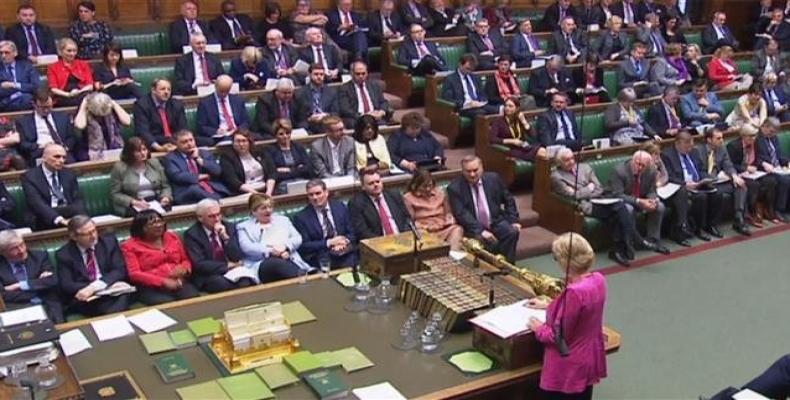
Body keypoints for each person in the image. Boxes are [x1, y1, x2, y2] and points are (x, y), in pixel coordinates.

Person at [551, 149, 664, 266]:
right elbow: (574, 196)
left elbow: (599, 188)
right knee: (620, 208)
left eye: (572, 158)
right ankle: (636, 242)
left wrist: (585, 190)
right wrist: (589, 188)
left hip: (600, 200)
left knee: (618, 212)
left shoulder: (585, 168)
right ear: (559, 162)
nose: (571, 162)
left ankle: (618, 250)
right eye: (566, 160)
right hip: (585, 205)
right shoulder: (556, 176)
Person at [527, 233, 606, 400]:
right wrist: (550, 305)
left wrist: (538, 328)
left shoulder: (574, 292)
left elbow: (557, 336)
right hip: (588, 359)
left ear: (565, 260)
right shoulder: (599, 280)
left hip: (567, 367)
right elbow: (583, 311)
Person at [56, 216, 131, 316]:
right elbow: (67, 284)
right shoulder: (64, 254)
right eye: (87, 234)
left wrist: (97, 286)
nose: (93, 236)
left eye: (94, 231)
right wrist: (94, 289)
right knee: (109, 306)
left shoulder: (108, 243)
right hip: (88, 297)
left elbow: (120, 270)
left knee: (124, 294)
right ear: (74, 237)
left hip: (111, 290)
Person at [448, 156, 520, 262]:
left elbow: (508, 199)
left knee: (511, 232)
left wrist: (513, 220)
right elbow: (461, 214)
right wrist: (481, 231)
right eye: (468, 171)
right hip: (473, 227)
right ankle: (489, 267)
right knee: (483, 241)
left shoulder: (494, 179)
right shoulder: (455, 188)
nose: (472, 174)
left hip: (495, 221)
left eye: (475, 170)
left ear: (482, 168)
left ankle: (507, 268)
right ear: (462, 171)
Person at [122, 210, 199, 305]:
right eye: (152, 223)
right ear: (142, 228)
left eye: (159, 221)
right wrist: (163, 281)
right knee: (166, 304)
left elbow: (185, 259)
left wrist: (185, 269)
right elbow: (134, 274)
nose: (158, 225)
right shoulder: (130, 246)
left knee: (193, 299)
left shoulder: (173, 237)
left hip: (178, 281)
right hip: (150, 287)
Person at [662, 131, 725, 240]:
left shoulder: (694, 152)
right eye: (686, 147)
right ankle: (698, 229)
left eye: (691, 146)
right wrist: (685, 184)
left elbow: (701, 169)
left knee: (717, 193)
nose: (689, 150)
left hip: (698, 183)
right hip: (682, 187)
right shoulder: (667, 155)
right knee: (701, 198)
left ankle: (711, 225)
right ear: (678, 144)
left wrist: (707, 179)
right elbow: (669, 177)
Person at [237, 193, 312, 283]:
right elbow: (247, 247)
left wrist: (286, 247)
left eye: (270, 207)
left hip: (288, 258)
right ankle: (305, 281)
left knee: (282, 264)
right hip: (262, 264)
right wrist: (271, 251)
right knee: (276, 263)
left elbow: (297, 238)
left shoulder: (283, 220)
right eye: (263, 208)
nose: (268, 210)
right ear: (254, 211)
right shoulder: (243, 227)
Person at [184, 199, 254, 293]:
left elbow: (237, 256)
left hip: (233, 271)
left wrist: (225, 238)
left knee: (245, 282)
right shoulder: (192, 234)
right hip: (208, 274)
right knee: (221, 284)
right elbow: (199, 264)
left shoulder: (229, 227)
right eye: (211, 216)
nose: (217, 219)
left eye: (218, 214)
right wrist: (227, 266)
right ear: (200, 218)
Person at [696, 127, 751, 236]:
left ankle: (738, 218)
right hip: (706, 183)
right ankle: (711, 224)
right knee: (717, 193)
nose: (721, 140)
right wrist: (715, 178)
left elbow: (728, 164)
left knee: (740, 185)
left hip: (720, 181)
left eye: (722, 138)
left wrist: (734, 176)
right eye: (718, 138)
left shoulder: (722, 149)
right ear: (709, 140)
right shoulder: (698, 150)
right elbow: (699, 172)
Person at [292, 179, 357, 269]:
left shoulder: (340, 207)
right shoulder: (301, 217)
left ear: (326, 193)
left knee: (353, 261)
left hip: (344, 250)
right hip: (320, 255)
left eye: (318, 193)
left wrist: (344, 241)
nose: (315, 197)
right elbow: (304, 245)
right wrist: (329, 243)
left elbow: (353, 232)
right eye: (311, 195)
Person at [608, 150, 667, 248]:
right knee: (628, 209)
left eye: (643, 166)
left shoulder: (651, 171)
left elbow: (651, 190)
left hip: (642, 198)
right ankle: (630, 242)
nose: (640, 168)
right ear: (632, 160)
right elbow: (617, 195)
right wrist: (639, 201)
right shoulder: (619, 171)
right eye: (638, 164)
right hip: (624, 202)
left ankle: (653, 239)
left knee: (659, 206)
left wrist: (653, 200)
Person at [0, 230, 63, 322]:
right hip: (17, 307)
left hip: (47, 304)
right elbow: (2, 295)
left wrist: (20, 285)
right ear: (2, 252)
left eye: (22, 244)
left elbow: (52, 280)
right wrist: (38, 286)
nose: (21, 251)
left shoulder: (39, 256)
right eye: (14, 248)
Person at [22, 143, 86, 230]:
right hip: (45, 217)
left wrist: (79, 218)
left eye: (64, 157)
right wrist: (59, 220)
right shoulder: (30, 177)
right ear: (44, 158)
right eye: (57, 157)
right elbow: (37, 204)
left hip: (69, 212)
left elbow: (78, 198)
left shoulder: (68, 173)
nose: (61, 161)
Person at [727, 127, 781, 227]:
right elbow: (731, 164)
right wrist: (746, 168)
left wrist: (762, 164)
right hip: (741, 173)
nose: (753, 138)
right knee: (753, 185)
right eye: (751, 136)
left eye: (755, 136)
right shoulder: (733, 146)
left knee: (771, 180)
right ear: (743, 136)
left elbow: (759, 158)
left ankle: (769, 209)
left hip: (754, 172)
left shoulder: (755, 143)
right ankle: (752, 213)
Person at [110, 137, 172, 217]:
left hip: (155, 200)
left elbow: (165, 186)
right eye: (138, 151)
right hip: (132, 203)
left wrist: (165, 197)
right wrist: (134, 202)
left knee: (164, 211)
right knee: (144, 217)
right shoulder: (119, 168)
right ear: (130, 153)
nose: (143, 153)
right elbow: (115, 194)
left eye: (144, 149)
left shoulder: (154, 163)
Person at [404, 170, 464, 251]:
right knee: (420, 235)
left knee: (457, 230)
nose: (428, 189)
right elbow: (411, 221)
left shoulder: (440, 192)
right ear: (415, 185)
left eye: (430, 185)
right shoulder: (408, 198)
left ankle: (452, 257)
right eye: (424, 186)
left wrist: (449, 219)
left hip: (442, 227)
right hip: (425, 230)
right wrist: (424, 227)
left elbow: (448, 213)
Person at [164, 130, 229, 204]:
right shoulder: (171, 158)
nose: (189, 144)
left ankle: (216, 201)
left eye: (191, 140)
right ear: (176, 144)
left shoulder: (203, 153)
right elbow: (177, 176)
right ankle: (217, 203)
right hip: (186, 190)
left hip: (209, 187)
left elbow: (217, 171)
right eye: (184, 142)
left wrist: (199, 159)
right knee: (195, 189)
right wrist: (200, 177)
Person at [17, 88, 77, 165]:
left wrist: (65, 148)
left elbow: (71, 137)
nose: (46, 110)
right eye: (42, 107)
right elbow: (23, 144)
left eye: (49, 107)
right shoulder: (24, 122)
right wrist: (40, 146)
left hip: (61, 151)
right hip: (40, 153)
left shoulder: (63, 117)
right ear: (34, 104)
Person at [348, 170, 411, 240]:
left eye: (378, 181)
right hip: (378, 243)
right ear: (363, 187)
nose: (376, 185)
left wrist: (405, 236)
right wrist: (382, 242)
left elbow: (407, 219)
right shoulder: (356, 203)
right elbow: (362, 231)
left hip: (402, 238)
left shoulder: (394, 195)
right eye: (371, 183)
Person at [133, 78, 187, 153]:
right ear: (153, 90)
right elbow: (143, 132)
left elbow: (183, 128)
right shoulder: (142, 105)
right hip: (154, 142)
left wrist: (179, 145)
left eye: (169, 89)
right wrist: (159, 148)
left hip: (175, 141)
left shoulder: (176, 104)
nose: (166, 92)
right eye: (163, 89)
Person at [196, 75, 251, 146]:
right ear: (215, 86)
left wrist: (238, 130)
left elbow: (246, 121)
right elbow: (201, 126)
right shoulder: (205, 102)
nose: (224, 94)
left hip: (237, 134)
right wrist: (216, 131)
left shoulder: (238, 100)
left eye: (226, 91)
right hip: (218, 136)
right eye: (221, 91)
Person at [73, 92, 130, 160]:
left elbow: (127, 122)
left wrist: (114, 103)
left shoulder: (109, 105)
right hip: (92, 148)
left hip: (114, 145)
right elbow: (80, 125)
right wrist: (83, 105)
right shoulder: (86, 110)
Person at [441, 54, 500, 119]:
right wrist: (467, 103)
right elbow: (447, 99)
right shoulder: (450, 79)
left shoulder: (475, 77)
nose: (469, 71)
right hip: (463, 108)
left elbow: (483, 94)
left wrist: (481, 101)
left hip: (478, 105)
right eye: (467, 69)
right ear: (460, 64)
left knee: (499, 110)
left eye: (471, 69)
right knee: (481, 113)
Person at [220, 129, 276, 196]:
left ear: (249, 142)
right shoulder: (227, 157)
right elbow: (233, 181)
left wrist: (269, 192)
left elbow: (272, 173)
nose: (241, 144)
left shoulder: (260, 152)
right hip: (244, 193)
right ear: (233, 143)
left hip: (266, 190)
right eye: (238, 141)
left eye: (244, 141)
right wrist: (256, 194)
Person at [338, 61, 394, 127]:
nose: (361, 76)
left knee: (385, 124)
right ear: (352, 73)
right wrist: (365, 115)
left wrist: (381, 112)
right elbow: (345, 109)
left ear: (367, 73)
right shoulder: (344, 88)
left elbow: (383, 102)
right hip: (357, 119)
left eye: (363, 73)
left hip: (376, 118)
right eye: (358, 74)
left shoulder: (374, 85)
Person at [265, 119, 312, 193]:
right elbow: (273, 173)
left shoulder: (298, 147)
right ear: (275, 135)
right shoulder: (270, 150)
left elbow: (308, 169)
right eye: (281, 134)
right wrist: (298, 168)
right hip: (282, 184)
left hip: (302, 181)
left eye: (287, 133)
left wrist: (289, 170)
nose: (285, 136)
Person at [757, 117, 790, 220]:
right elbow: (753, 157)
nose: (773, 134)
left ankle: (788, 208)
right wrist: (763, 163)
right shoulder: (756, 138)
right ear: (764, 126)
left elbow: (779, 156)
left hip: (777, 167)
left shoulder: (774, 138)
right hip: (764, 170)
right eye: (771, 131)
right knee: (785, 180)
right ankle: (779, 210)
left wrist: (788, 162)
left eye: (775, 132)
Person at [47, 38, 94, 107]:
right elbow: (53, 89)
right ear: (60, 52)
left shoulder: (83, 64)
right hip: (63, 96)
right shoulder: (53, 67)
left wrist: (78, 92)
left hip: (82, 94)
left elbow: (90, 86)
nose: (72, 53)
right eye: (69, 51)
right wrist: (68, 94)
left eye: (74, 51)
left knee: (90, 97)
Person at [297, 64, 339, 134]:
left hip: (327, 122)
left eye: (321, 74)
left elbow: (335, 112)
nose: (319, 77)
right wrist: (310, 118)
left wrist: (326, 115)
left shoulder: (331, 91)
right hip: (309, 124)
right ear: (309, 74)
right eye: (316, 74)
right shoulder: (301, 93)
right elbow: (299, 115)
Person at [0, 41, 39, 112]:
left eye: (7, 53)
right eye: (1, 53)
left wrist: (14, 85)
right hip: (5, 104)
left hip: (26, 102)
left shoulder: (27, 66)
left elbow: (35, 86)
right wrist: (21, 89)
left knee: (28, 99)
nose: (3, 56)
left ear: (15, 53)